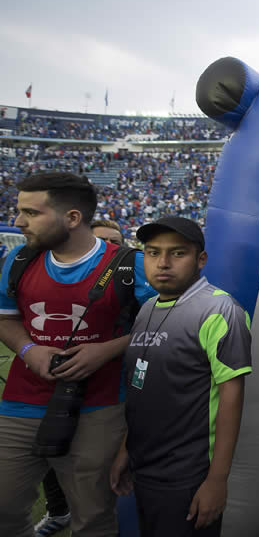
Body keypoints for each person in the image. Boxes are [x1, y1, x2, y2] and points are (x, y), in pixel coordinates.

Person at [0, 172, 155, 537]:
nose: (18, 222)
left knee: (93, 518)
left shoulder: (131, 265)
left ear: (72, 217)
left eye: (31, 212)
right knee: (4, 508)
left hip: (100, 407)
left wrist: (108, 350)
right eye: (19, 211)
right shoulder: (18, 259)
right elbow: (5, 318)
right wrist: (29, 349)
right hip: (21, 403)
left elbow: (166, 326)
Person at [110, 216, 252, 537]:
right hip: (144, 466)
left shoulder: (220, 310)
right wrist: (126, 450)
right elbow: (141, 388)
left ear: (200, 259)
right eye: (152, 252)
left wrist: (216, 481)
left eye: (177, 253)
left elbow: (232, 399)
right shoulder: (147, 309)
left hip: (187, 476)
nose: (163, 263)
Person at [36, 217, 128, 537]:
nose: (111, 249)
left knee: (101, 472)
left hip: (113, 397)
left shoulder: (137, 285)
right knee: (50, 450)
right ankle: (58, 511)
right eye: (103, 243)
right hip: (59, 393)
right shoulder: (61, 286)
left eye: (116, 243)